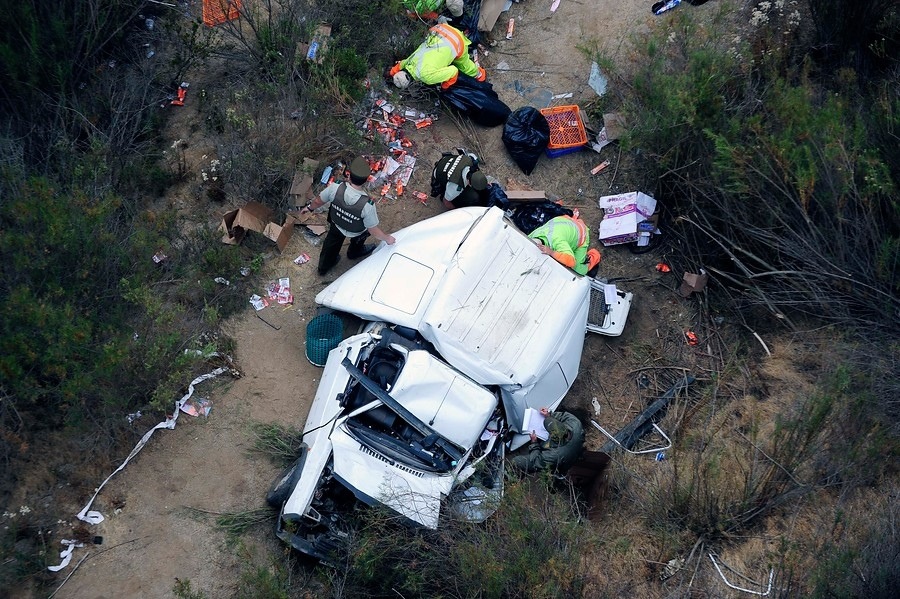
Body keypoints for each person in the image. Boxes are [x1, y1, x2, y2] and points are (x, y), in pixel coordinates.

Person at [299, 157, 396, 276]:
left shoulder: (335, 187)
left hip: (336, 222)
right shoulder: (367, 205)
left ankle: (323, 267)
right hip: (355, 230)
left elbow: (319, 201)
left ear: (349, 176)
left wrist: (309, 208)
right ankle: (354, 251)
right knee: (364, 233)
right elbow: (373, 230)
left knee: (331, 243)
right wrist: (387, 238)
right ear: (366, 180)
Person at [389, 23, 486, 90]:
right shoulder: (410, 61)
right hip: (440, 29)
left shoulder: (426, 77)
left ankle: (480, 75)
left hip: (456, 41)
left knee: (464, 65)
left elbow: (453, 71)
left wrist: (445, 87)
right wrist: (392, 72)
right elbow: (401, 64)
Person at [510, 408, 585, 474]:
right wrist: (549, 415)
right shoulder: (575, 423)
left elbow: (536, 462)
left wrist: (534, 443)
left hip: (564, 461)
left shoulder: (553, 455)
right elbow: (562, 416)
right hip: (575, 447)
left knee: (517, 461)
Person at [528, 213, 602, 276]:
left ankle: (595, 256)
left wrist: (552, 252)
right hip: (564, 221)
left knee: (579, 270)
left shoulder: (557, 241)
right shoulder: (532, 236)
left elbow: (571, 261)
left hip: (580, 232)